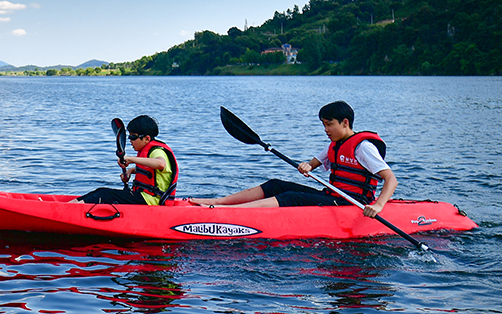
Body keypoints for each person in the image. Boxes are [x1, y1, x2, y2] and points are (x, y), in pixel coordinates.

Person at [191, 101, 397, 218]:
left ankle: (226, 213)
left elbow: (390, 179)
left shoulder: (363, 148)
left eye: (329, 124)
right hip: (332, 196)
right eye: (323, 124)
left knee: (291, 197)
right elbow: (312, 164)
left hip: (352, 204)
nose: (326, 129)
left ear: (345, 123)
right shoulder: (335, 144)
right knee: (276, 184)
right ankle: (217, 202)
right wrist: (306, 166)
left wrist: (378, 206)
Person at [74, 115, 179, 205]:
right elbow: (152, 173)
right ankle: (70, 205)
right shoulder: (146, 151)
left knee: (104, 194)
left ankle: (70, 210)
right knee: (100, 191)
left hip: (151, 201)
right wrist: (130, 171)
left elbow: (160, 164)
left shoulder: (157, 151)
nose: (130, 140)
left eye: (133, 137)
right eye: (129, 136)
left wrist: (131, 159)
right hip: (143, 197)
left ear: (147, 138)